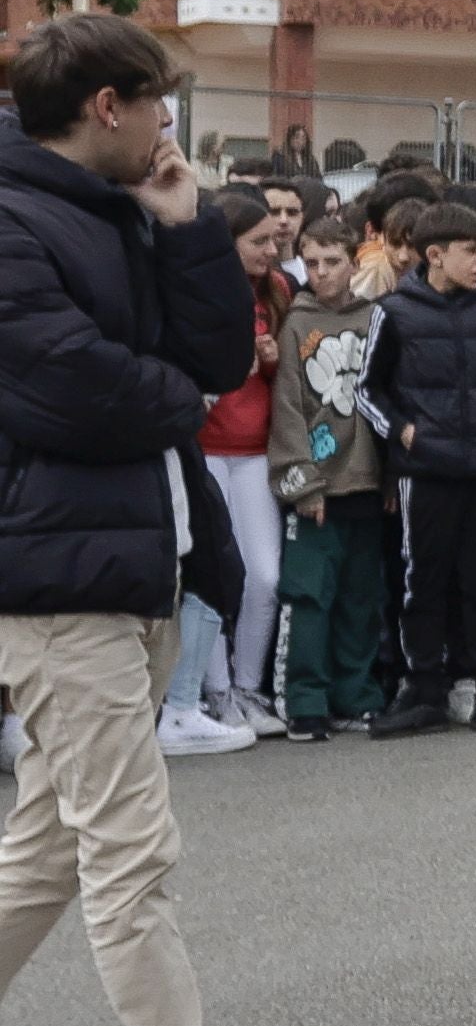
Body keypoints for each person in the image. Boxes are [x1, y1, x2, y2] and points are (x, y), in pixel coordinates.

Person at [0, 14, 259, 1026]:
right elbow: (63, 384)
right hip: (58, 586)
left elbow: (220, 348)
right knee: (129, 850)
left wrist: (190, 226)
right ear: (108, 104)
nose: (171, 128)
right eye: (157, 106)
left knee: (46, 850)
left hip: (140, 565)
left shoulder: (126, 207)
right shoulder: (10, 218)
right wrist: (186, 394)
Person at [359, 203, 476, 737]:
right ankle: (423, 691)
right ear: (435, 256)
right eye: (472, 251)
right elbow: (367, 390)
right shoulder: (394, 311)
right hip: (426, 474)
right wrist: (406, 433)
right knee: (423, 582)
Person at [170, 189, 294, 747]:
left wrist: (271, 364)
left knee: (265, 577)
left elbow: (289, 384)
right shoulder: (199, 290)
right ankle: (212, 693)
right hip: (206, 447)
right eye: (259, 240)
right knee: (219, 574)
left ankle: (246, 687)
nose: (273, 248)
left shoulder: (279, 290)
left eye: (275, 239)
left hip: (255, 451)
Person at [270, 218, 388, 739]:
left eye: (332, 262)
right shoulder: (295, 322)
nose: (321, 273)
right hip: (318, 485)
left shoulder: (377, 319)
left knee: (361, 597)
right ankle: (306, 699)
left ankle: (356, 693)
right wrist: (303, 482)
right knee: (310, 595)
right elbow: (289, 409)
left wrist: (391, 479)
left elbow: (390, 400)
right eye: (311, 262)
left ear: (353, 262)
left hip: (369, 482)